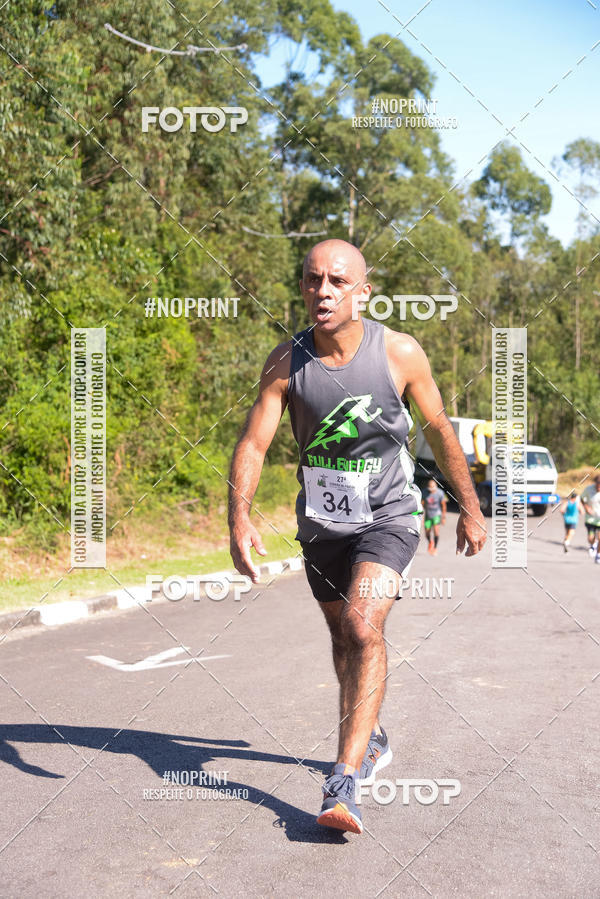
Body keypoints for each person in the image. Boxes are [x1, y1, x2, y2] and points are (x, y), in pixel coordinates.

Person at [228, 239, 486, 835]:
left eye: (338, 281)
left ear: (362, 291)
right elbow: (254, 443)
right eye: (313, 279)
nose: (324, 291)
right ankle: (370, 735)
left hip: (389, 515)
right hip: (321, 524)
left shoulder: (398, 352)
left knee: (362, 625)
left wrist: (468, 507)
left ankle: (343, 778)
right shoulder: (284, 361)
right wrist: (239, 518)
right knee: (344, 644)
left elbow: (441, 429)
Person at [422, 478, 447, 554]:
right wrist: (421, 515)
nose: (431, 489)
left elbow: (443, 506)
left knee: (436, 531)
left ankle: (435, 548)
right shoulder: (424, 492)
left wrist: (443, 517)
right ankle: (430, 542)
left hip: (436, 514)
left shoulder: (440, 493)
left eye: (433, 487)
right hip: (428, 515)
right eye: (430, 487)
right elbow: (422, 504)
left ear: (436, 486)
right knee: (427, 533)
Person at [580, 475, 600, 563]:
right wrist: (586, 507)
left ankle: (598, 555)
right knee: (590, 538)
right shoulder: (588, 489)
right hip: (591, 519)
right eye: (598, 485)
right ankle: (593, 544)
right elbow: (581, 498)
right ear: (595, 483)